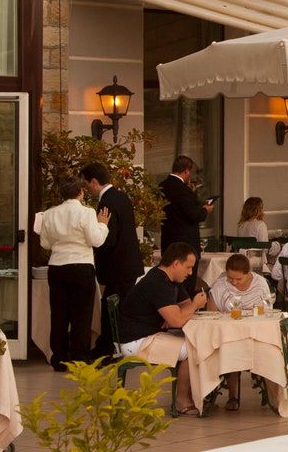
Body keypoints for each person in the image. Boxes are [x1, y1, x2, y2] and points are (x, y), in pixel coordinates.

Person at [116, 241, 206, 415]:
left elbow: (182, 308)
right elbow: (179, 319)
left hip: (149, 333)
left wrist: (179, 313)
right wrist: (193, 306)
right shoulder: (157, 282)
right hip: (136, 341)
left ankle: (196, 395)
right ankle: (182, 401)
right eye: (188, 267)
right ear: (176, 264)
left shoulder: (171, 279)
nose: (190, 272)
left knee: (197, 341)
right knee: (193, 348)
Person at [35, 176, 110, 369]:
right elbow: (96, 240)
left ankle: (59, 357)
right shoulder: (86, 213)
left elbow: (45, 243)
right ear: (80, 193)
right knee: (81, 315)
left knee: (59, 314)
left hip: (57, 266)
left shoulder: (50, 214)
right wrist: (103, 224)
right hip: (81, 265)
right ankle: (79, 358)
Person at [82, 161, 143, 356]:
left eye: (86, 185)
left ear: (93, 181)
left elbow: (108, 238)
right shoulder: (121, 196)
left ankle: (106, 349)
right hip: (128, 264)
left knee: (111, 311)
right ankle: (110, 347)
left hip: (117, 266)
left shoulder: (107, 201)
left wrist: (93, 240)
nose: (86, 189)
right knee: (116, 309)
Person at [207, 254, 273, 411]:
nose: (234, 282)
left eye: (239, 279)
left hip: (255, 334)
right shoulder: (220, 285)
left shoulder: (260, 284)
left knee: (270, 350)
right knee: (231, 348)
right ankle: (232, 396)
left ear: (248, 274)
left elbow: (266, 312)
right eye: (231, 278)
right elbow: (211, 314)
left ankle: (273, 394)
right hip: (228, 335)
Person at [159, 155, 212, 256]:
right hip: (185, 245)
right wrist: (205, 210)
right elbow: (193, 215)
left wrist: (191, 193)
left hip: (167, 241)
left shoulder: (162, 185)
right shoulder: (183, 189)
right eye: (190, 173)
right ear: (186, 171)